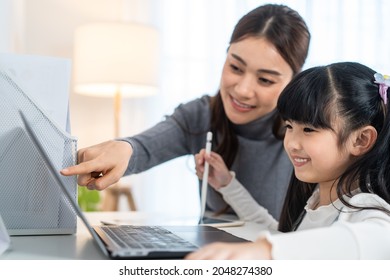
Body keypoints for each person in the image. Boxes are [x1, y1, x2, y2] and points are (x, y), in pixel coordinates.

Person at [61, 4, 310, 219]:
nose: (243, 90)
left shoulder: (309, 134)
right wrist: (125, 148)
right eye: (235, 67)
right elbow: (145, 147)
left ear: (293, 81)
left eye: (265, 80)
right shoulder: (201, 116)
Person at [186, 62, 390, 260]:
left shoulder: (365, 207)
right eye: (289, 126)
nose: (291, 143)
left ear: (361, 140)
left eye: (308, 130)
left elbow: (380, 238)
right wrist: (227, 185)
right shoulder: (318, 198)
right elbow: (282, 237)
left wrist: (266, 251)